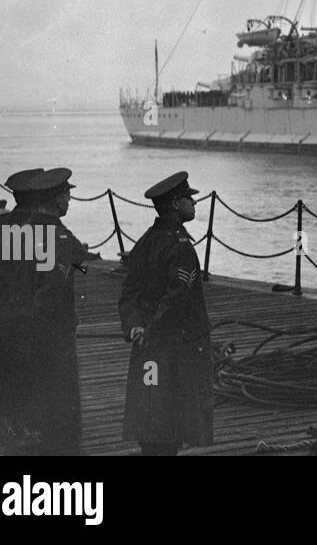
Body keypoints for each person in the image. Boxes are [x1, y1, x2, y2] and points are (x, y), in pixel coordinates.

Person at [118, 171, 214, 456]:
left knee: (151, 403)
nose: (193, 203)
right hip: (173, 348)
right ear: (175, 204)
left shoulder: (147, 241)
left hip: (147, 348)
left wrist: (136, 325)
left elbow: (129, 291)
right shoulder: (180, 245)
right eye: (188, 198)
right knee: (172, 412)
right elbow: (177, 297)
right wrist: (153, 328)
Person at [8, 167, 86, 454]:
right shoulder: (58, 236)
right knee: (60, 403)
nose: (68, 200)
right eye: (65, 194)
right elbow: (64, 274)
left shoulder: (20, 231)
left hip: (18, 328)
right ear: (55, 198)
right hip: (52, 332)